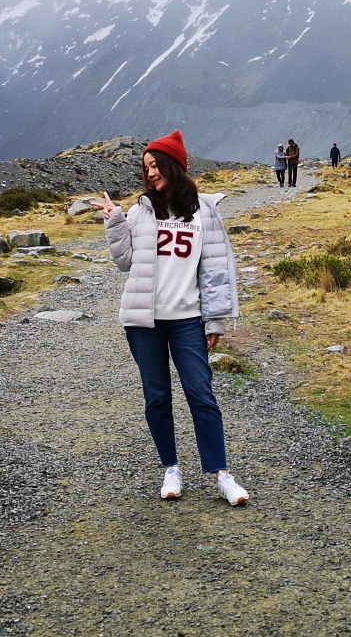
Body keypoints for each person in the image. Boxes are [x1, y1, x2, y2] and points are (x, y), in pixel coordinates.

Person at [97, 130, 250, 506]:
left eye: (155, 165)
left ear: (174, 166)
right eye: (145, 167)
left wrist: (215, 321)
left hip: (188, 320)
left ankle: (222, 475)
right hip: (143, 322)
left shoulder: (205, 211)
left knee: (201, 393)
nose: (150, 173)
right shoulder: (140, 211)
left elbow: (214, 270)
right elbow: (124, 263)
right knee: (157, 398)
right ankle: (171, 468)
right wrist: (115, 222)